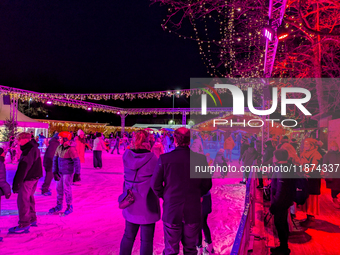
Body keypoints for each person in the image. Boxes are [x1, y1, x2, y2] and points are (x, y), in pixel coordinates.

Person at [151, 127, 212, 255]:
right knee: (190, 249)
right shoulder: (200, 159)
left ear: (174, 140)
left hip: (172, 210)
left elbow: (155, 184)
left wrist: (166, 196)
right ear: (189, 140)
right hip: (193, 210)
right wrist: (196, 195)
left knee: (171, 250)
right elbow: (207, 184)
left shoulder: (165, 159)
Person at [119, 130, 160, 255]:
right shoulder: (153, 158)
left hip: (131, 201)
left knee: (128, 236)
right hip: (147, 203)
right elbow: (158, 180)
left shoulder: (126, 155)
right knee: (146, 240)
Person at [9, 132, 43, 233]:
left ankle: (24, 223)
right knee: (29, 198)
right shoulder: (32, 147)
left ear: (25, 139)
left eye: (19, 140)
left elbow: (23, 168)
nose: (17, 142)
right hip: (34, 176)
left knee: (23, 200)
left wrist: (16, 183)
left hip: (29, 178)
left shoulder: (29, 150)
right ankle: (32, 219)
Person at [49, 131, 81, 215]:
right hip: (60, 172)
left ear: (65, 139)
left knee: (67, 189)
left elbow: (77, 161)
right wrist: (54, 171)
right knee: (59, 189)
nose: (58, 139)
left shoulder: (71, 149)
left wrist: (77, 173)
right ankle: (59, 205)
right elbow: (55, 160)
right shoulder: (59, 148)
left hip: (67, 173)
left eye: (60, 138)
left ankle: (69, 206)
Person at [270, 149, 294, 255]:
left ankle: (284, 248)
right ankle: (284, 246)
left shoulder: (281, 168)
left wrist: (275, 204)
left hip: (281, 201)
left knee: (279, 223)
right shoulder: (288, 166)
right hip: (286, 200)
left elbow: (281, 188)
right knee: (282, 222)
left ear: (278, 157)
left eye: (274, 155)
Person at [300, 138, 322, 228]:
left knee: (311, 199)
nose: (305, 146)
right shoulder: (304, 153)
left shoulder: (316, 154)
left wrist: (304, 171)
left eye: (307, 144)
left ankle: (311, 218)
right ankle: (308, 216)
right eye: (305, 144)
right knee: (307, 198)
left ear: (312, 145)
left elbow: (314, 167)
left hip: (312, 180)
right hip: (306, 179)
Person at [41, 132, 60, 196]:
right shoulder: (54, 144)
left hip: (49, 162)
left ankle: (45, 187)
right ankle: (44, 189)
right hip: (50, 163)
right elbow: (51, 154)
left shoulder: (54, 143)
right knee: (49, 176)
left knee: (49, 176)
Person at [324, 141, 340, 209]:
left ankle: (335, 199)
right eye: (333, 146)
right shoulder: (327, 155)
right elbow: (325, 164)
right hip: (332, 174)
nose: (334, 148)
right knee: (334, 188)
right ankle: (334, 198)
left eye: (335, 146)